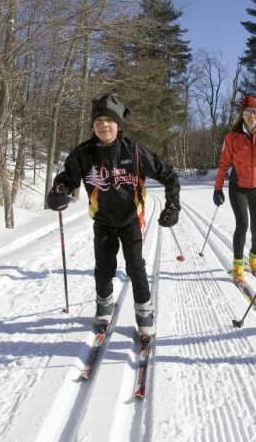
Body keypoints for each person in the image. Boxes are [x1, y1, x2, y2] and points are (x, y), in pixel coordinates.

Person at [47, 93, 180, 338]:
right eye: (99, 121)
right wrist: (58, 193)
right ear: (93, 126)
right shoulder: (83, 154)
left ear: (118, 125)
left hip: (131, 219)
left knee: (135, 267)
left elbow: (168, 174)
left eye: (109, 121)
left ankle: (144, 312)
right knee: (104, 268)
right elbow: (66, 180)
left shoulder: (135, 151)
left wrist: (172, 207)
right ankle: (105, 304)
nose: (104, 125)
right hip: (103, 221)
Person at [213, 95, 256, 282]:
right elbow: (223, 163)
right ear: (242, 114)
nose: (251, 115)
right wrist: (217, 189)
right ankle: (238, 266)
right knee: (242, 225)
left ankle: (253, 259)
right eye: (247, 111)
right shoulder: (232, 137)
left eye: (254, 111)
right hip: (239, 188)